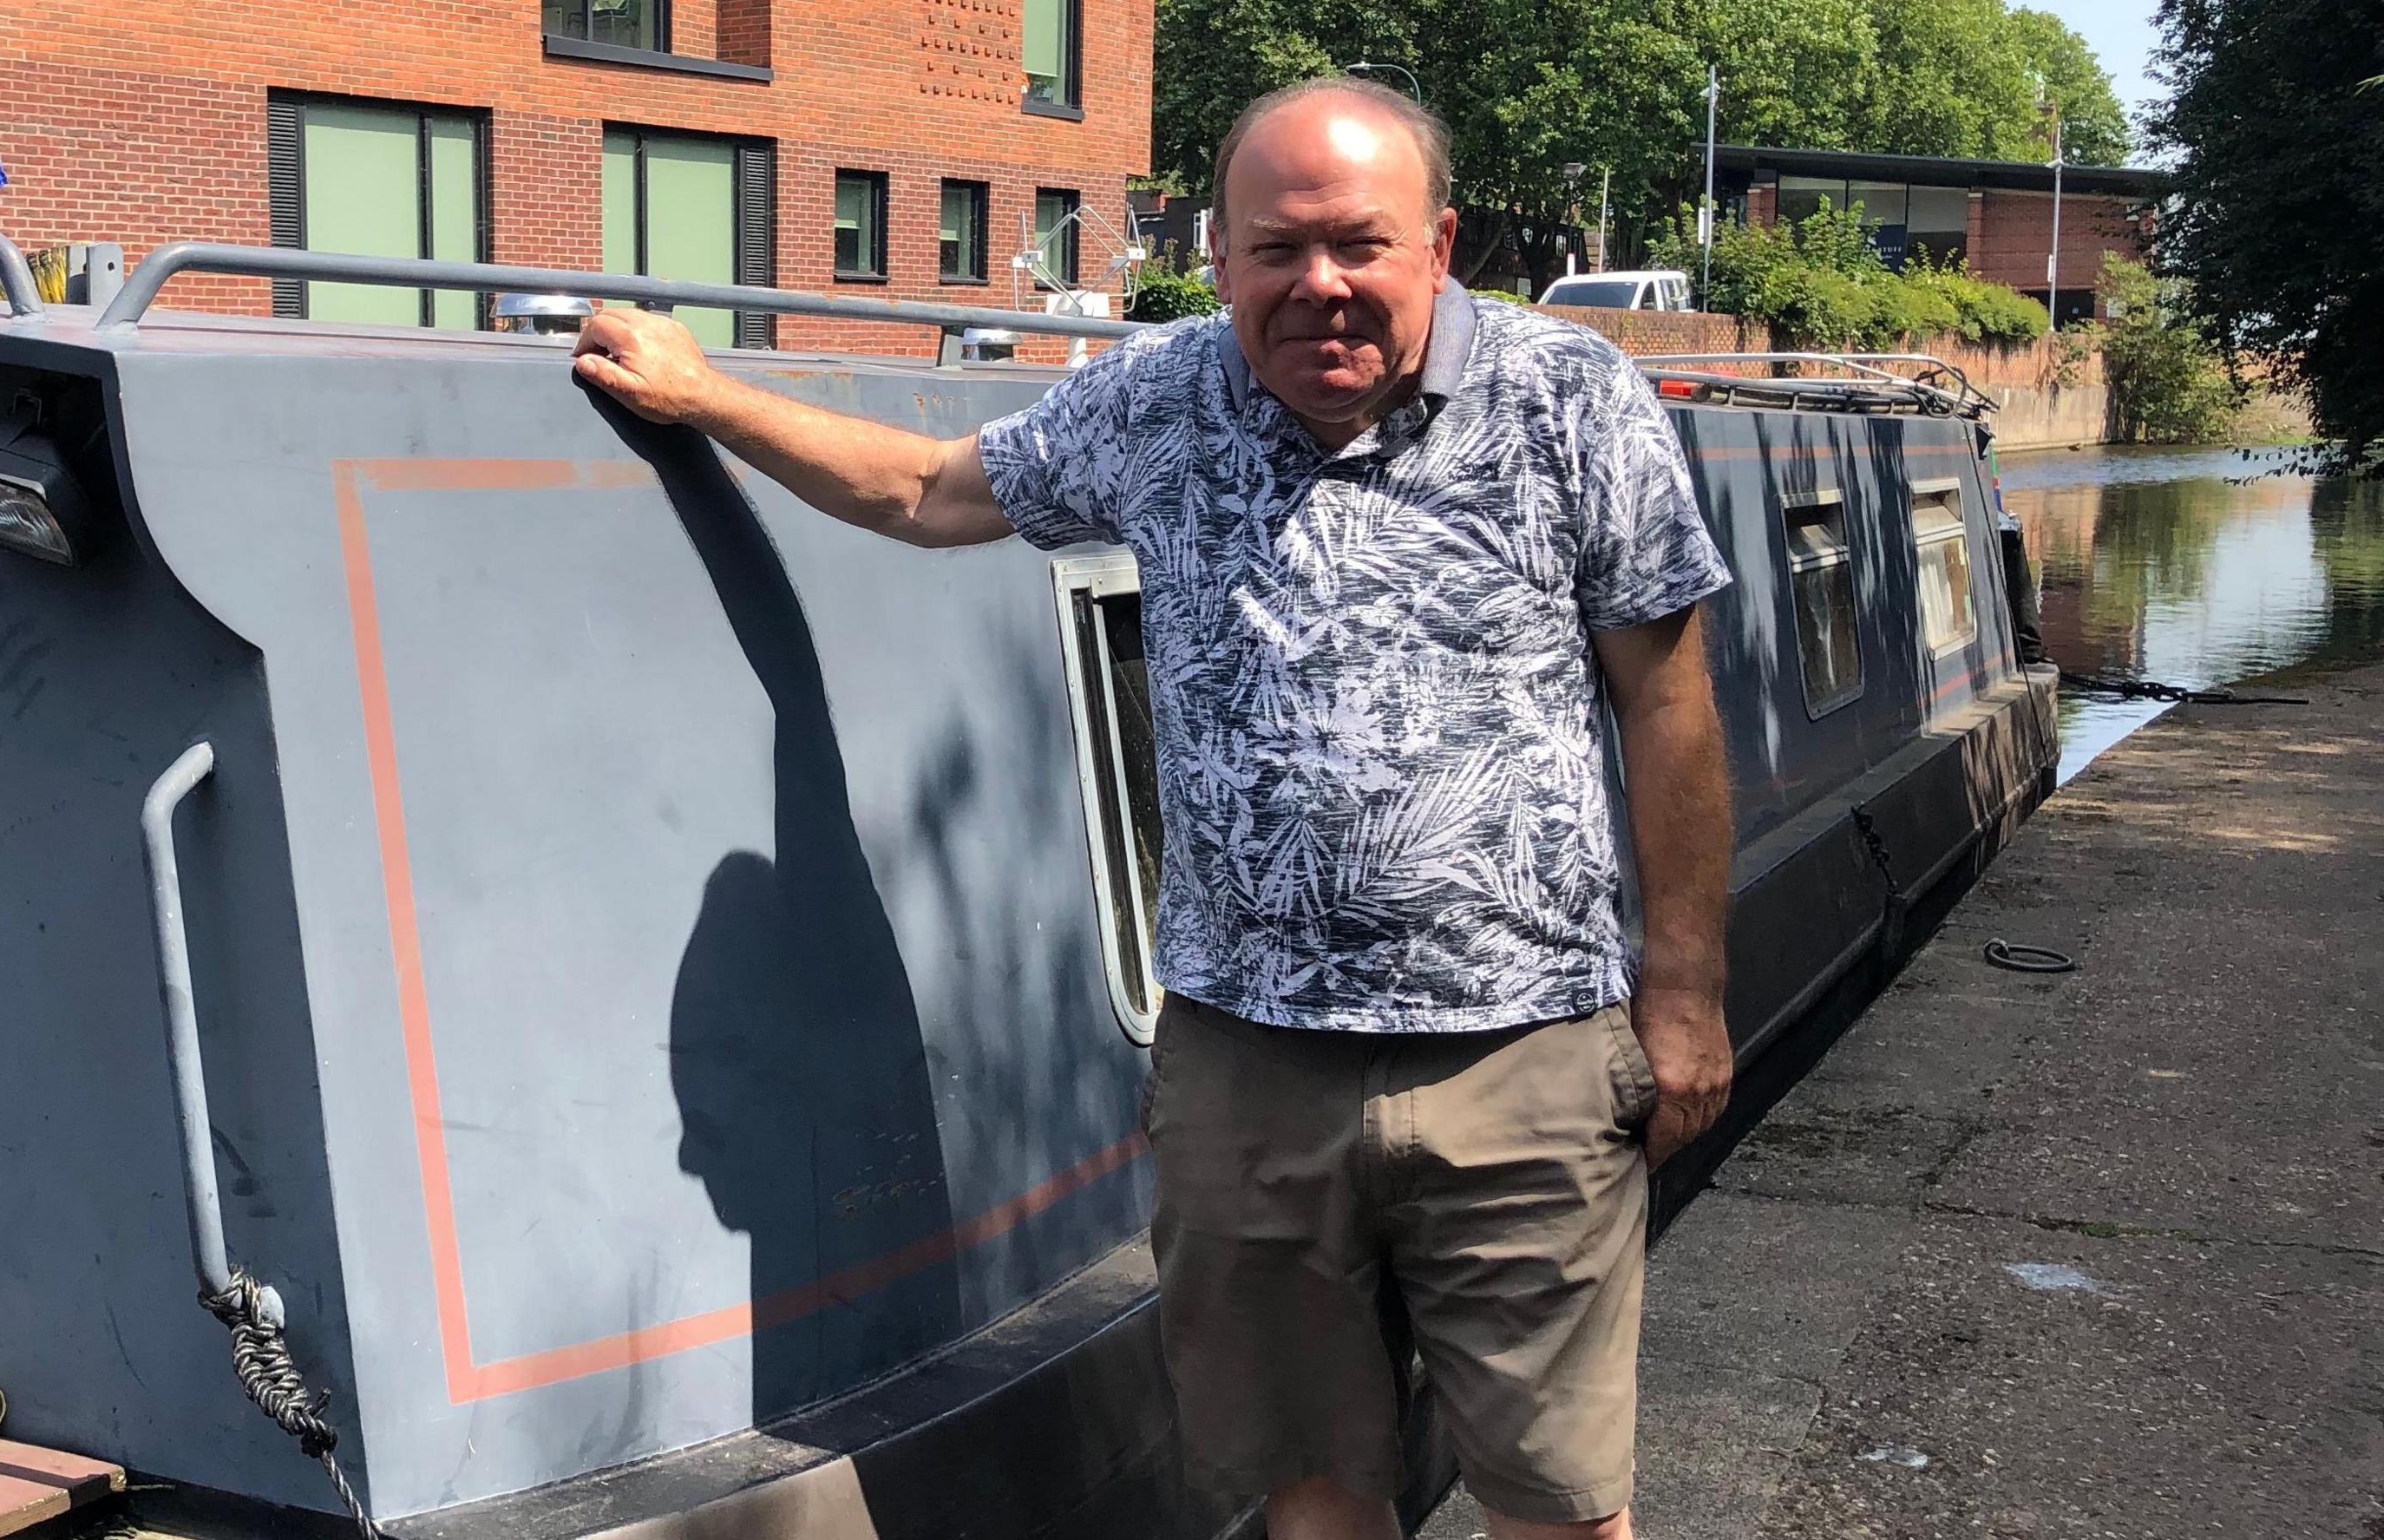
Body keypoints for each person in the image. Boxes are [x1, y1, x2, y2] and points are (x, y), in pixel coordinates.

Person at [568, 77, 1735, 1540]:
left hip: (1523, 1057)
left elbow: (1670, 705)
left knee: (1561, 1506)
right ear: (1223, 257)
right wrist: (701, 393)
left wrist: (1683, 989)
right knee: (1310, 1496)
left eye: (1361, 244)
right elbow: (929, 491)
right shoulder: (1157, 398)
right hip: (1247, 1068)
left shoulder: (1573, 398)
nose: (1320, 284)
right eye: (1275, 248)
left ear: (1437, 245)